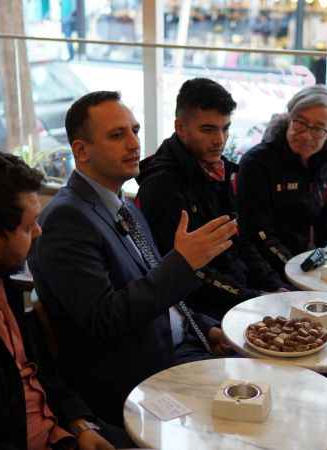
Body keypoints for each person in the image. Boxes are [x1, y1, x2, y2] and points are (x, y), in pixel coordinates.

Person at [28, 91, 237, 426]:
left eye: (135, 131)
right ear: (81, 151)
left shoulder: (123, 204)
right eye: (117, 135)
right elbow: (104, 320)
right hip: (136, 378)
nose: (134, 144)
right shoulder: (66, 219)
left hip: (182, 347)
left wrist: (208, 328)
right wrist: (182, 263)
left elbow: (161, 297)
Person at [0, 150, 131, 449]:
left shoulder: (3, 278)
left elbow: (44, 371)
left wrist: (79, 424)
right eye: (28, 227)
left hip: (65, 433)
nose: (39, 232)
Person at [136, 78, 289, 320]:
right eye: (208, 129)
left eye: (225, 128)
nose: (219, 139)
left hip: (239, 295)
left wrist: (274, 286)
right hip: (202, 313)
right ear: (180, 127)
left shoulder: (216, 168)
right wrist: (253, 298)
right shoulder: (161, 185)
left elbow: (238, 240)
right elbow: (186, 272)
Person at [237, 85, 327, 276]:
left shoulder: (326, 167)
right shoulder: (257, 163)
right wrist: (295, 273)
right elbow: (256, 234)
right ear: (288, 118)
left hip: (310, 267)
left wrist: (321, 262)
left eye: (318, 128)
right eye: (300, 123)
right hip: (264, 271)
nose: (306, 135)